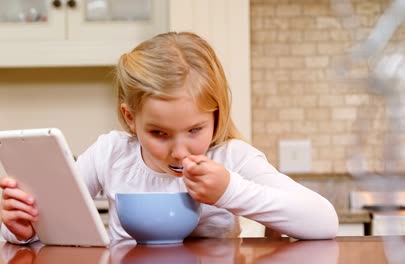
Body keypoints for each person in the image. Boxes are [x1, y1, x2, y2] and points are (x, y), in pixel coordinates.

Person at [0, 32, 338, 244]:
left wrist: (230, 191)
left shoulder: (231, 158)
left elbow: (323, 220)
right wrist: (23, 231)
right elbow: (49, 226)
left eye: (195, 130)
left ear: (215, 115)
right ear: (131, 118)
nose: (179, 152)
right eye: (159, 133)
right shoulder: (111, 154)